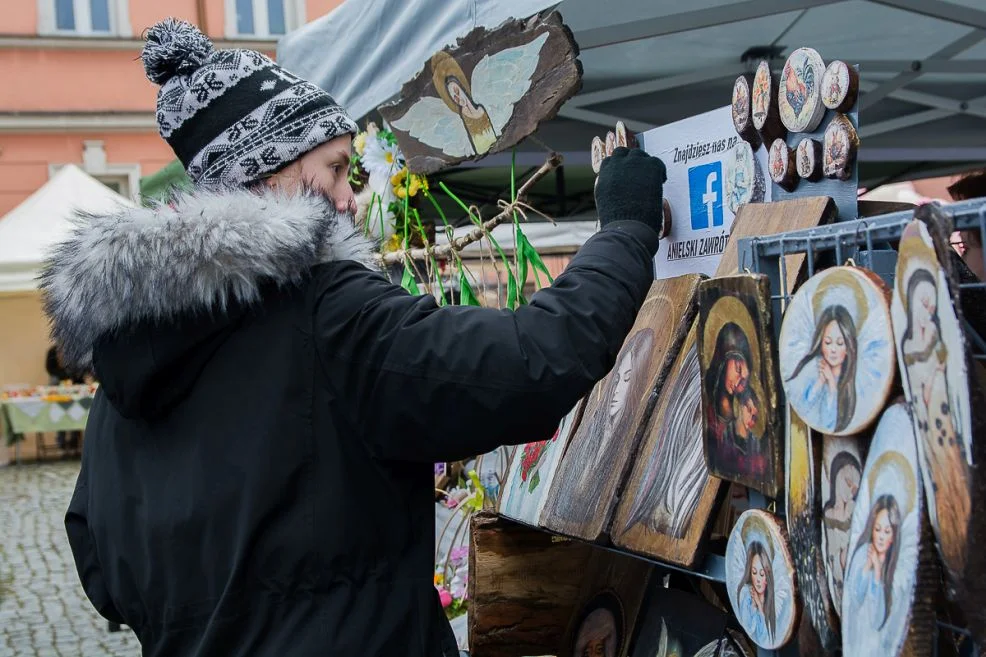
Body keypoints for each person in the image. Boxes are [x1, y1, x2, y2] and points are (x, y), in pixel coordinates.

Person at [41, 19, 668, 657]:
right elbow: (532, 359)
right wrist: (624, 230)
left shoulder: (122, 368)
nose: (347, 200)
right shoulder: (323, 313)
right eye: (337, 170)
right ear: (269, 174)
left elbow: (100, 567)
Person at [786, 305, 858, 433]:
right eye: (828, 342)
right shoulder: (815, 371)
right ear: (821, 343)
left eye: (840, 343)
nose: (833, 350)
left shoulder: (851, 382)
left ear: (848, 346)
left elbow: (829, 423)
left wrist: (831, 383)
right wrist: (820, 381)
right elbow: (803, 408)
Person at [736, 541, 776, 646]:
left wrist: (759, 604)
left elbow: (767, 637)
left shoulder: (773, 601)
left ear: (767, 577)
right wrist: (754, 606)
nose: (757, 579)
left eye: (762, 574)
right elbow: (749, 629)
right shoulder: (747, 597)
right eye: (754, 572)